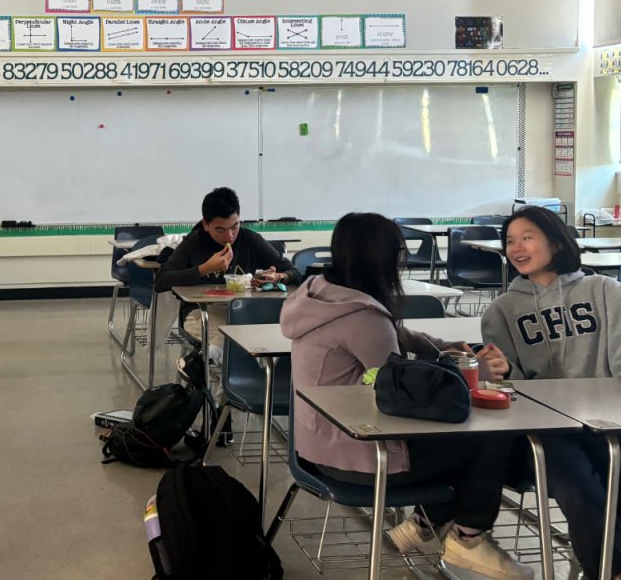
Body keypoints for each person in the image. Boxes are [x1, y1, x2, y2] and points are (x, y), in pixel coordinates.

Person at [282, 212, 530, 580]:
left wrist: (448, 349)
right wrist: (470, 369)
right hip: (359, 455)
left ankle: (426, 522)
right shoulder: (363, 316)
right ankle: (468, 538)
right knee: (488, 434)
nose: (402, 261)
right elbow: (407, 391)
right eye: (398, 253)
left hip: (317, 442)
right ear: (380, 258)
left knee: (457, 433)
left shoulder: (321, 293)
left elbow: (397, 335)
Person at [482, 206, 621, 580]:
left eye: (527, 237)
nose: (517, 248)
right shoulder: (501, 311)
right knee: (576, 482)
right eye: (510, 241)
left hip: (611, 423)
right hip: (545, 432)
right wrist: (497, 371)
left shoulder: (608, 292)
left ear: (556, 240)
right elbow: (505, 385)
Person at [154, 187, 299, 358]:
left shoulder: (249, 240)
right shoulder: (193, 243)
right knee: (237, 336)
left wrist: (279, 276)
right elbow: (161, 281)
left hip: (243, 309)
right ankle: (215, 365)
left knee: (261, 330)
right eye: (220, 230)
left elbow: (294, 271)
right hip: (200, 312)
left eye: (235, 226)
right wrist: (205, 268)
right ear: (206, 225)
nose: (230, 236)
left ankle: (206, 363)